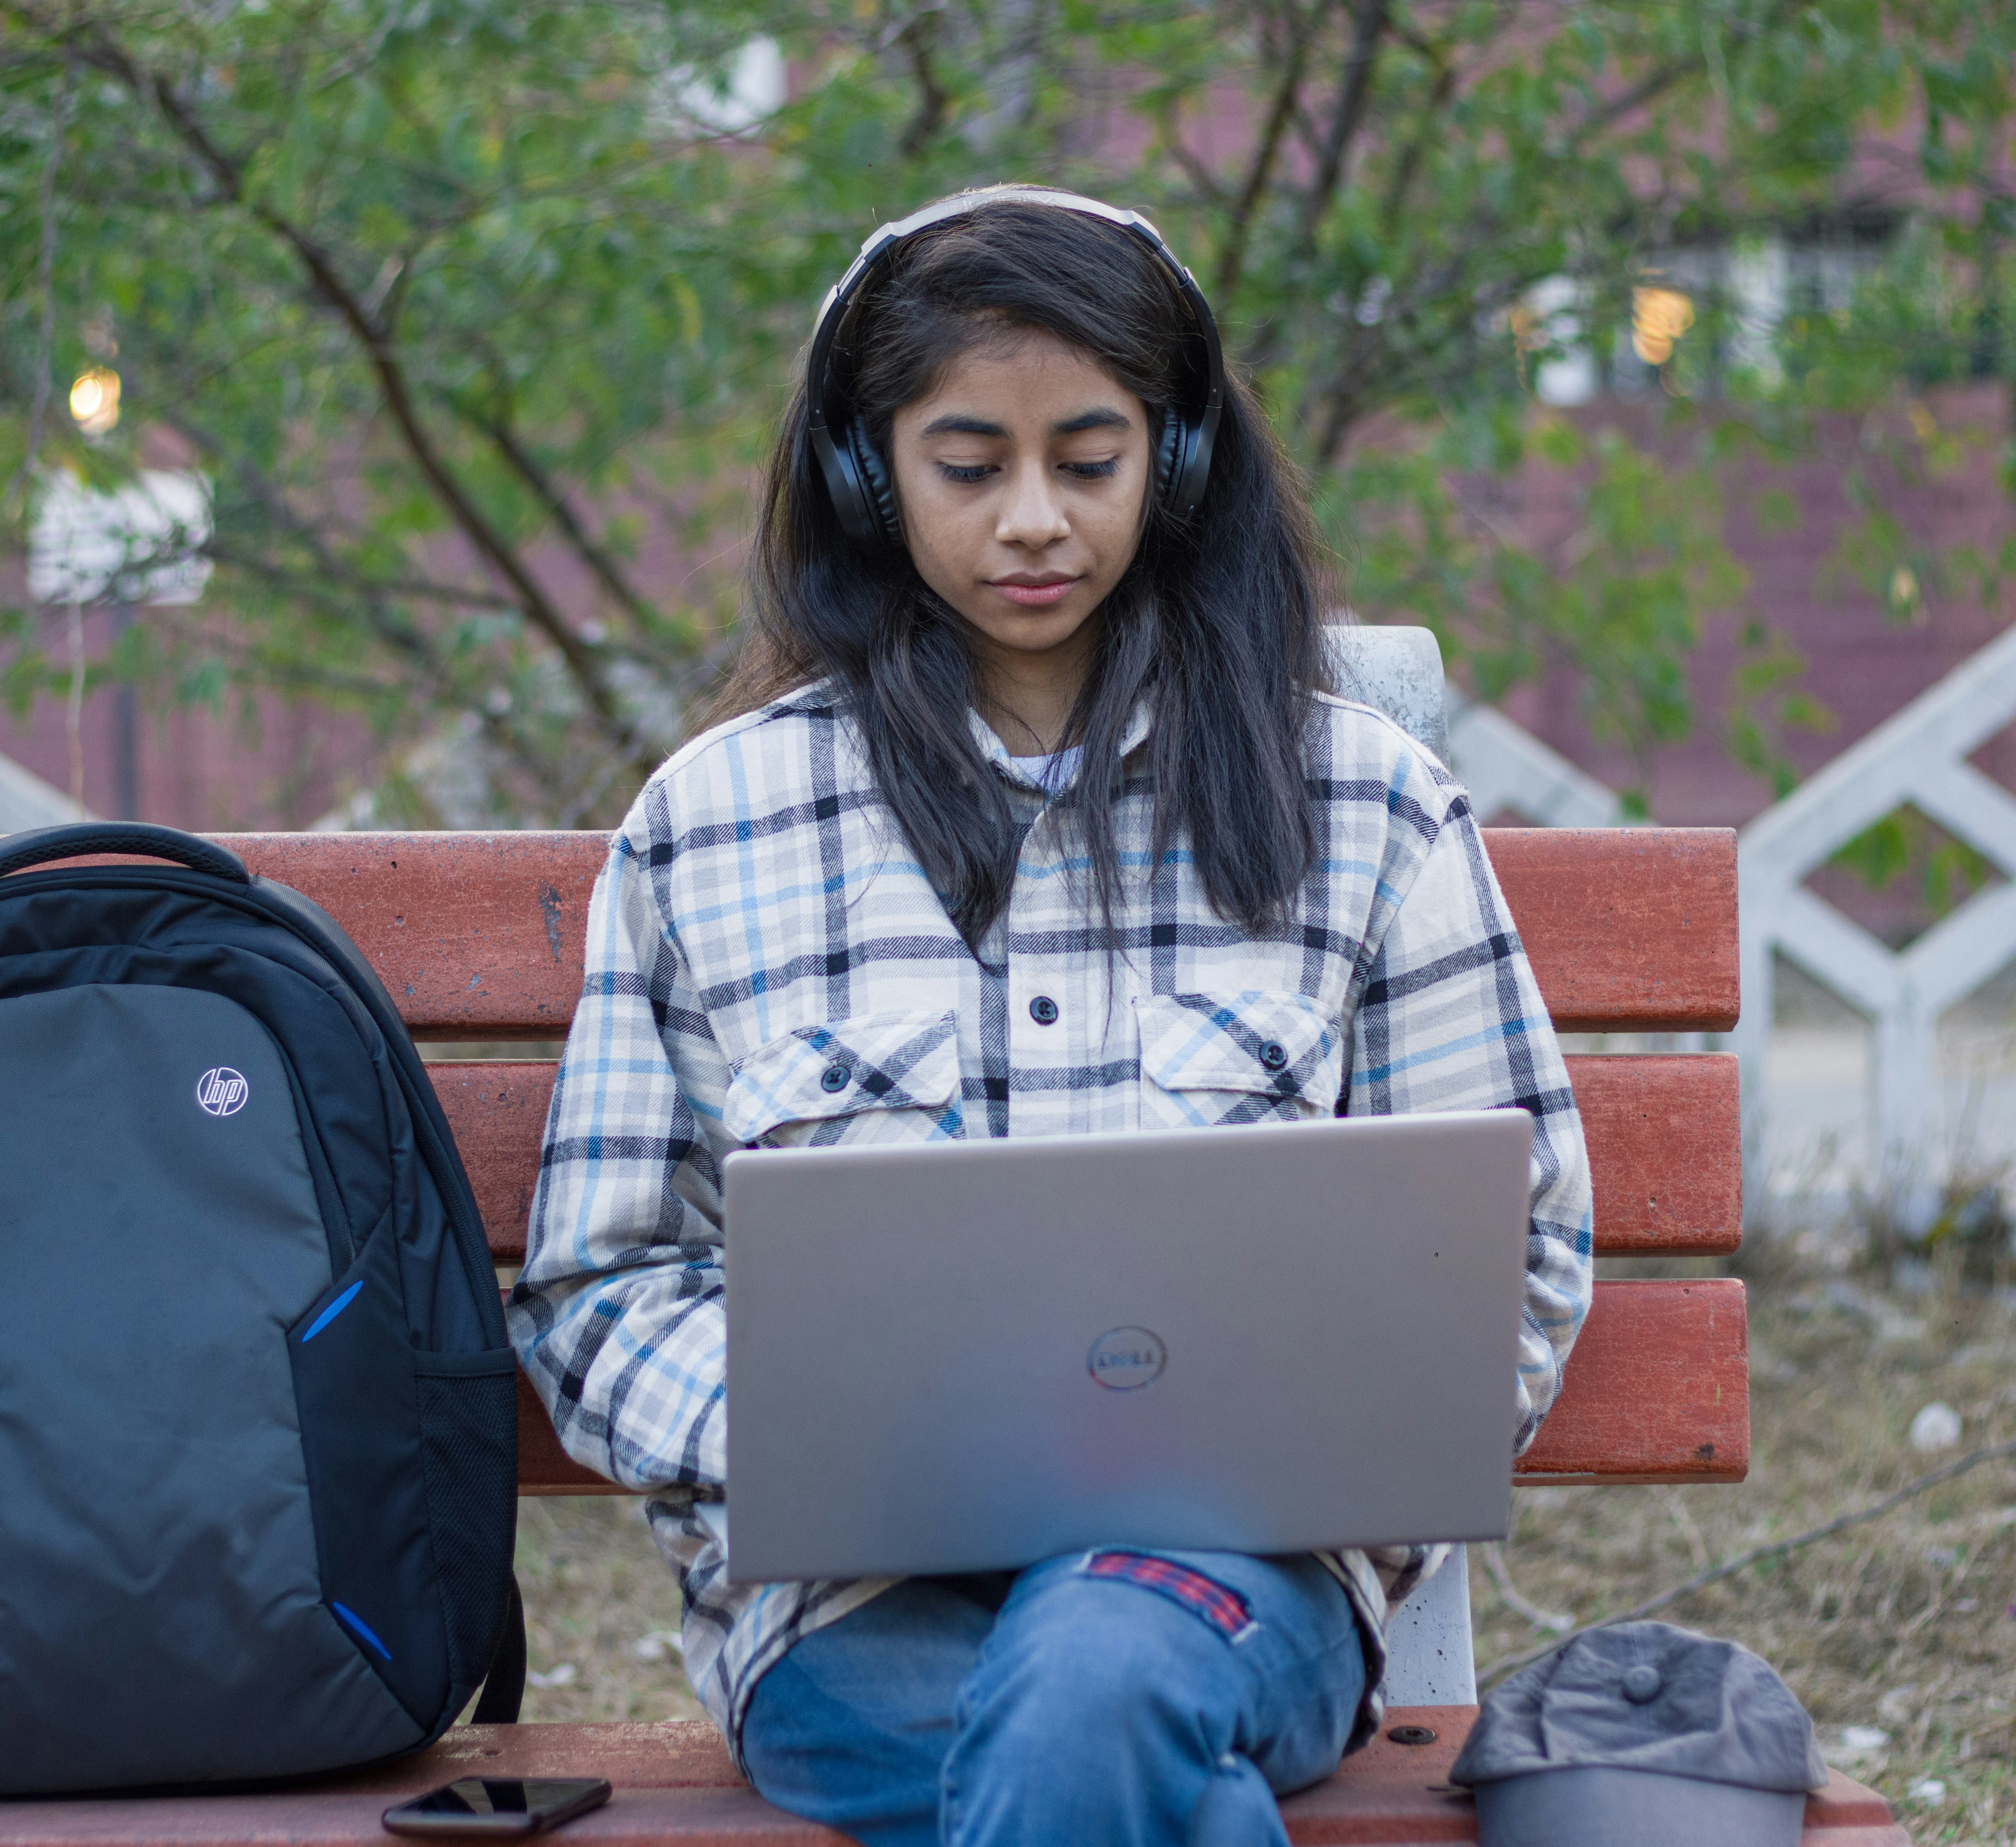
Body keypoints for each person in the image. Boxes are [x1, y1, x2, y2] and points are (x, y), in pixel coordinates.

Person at [508, 186, 1593, 1847]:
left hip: (1238, 1591)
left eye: (1088, 462)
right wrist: (808, 1437)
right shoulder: (713, 825)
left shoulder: (1367, 806)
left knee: (1098, 1667)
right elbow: (600, 1281)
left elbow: (1515, 1247)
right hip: (852, 1621)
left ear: (1177, 463)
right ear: (870, 476)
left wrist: (1340, 1458)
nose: (1033, 520)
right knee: (1112, 1751)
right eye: (969, 464)